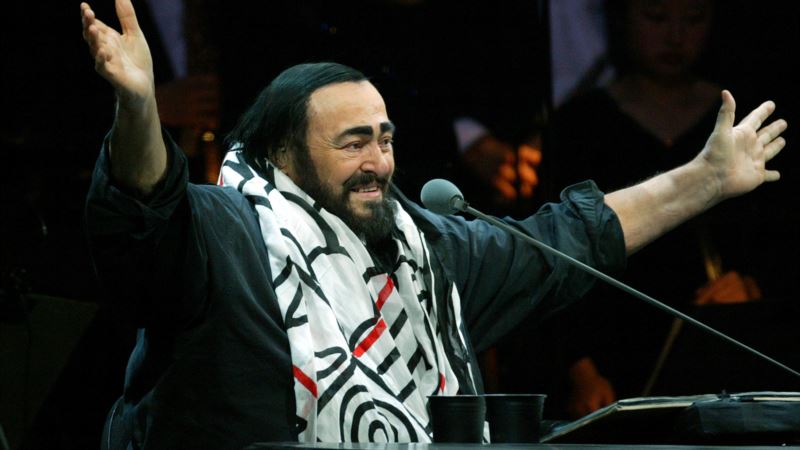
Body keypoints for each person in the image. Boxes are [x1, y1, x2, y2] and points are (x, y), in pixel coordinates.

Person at [80, 0, 785, 448]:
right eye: (353, 142)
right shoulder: (225, 229)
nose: (377, 162)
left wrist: (704, 180)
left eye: (385, 139)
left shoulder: (422, 245)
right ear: (283, 157)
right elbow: (146, 204)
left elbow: (564, 242)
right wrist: (139, 110)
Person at [528, 0, 770, 418]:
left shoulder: (740, 118)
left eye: (693, 19)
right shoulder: (580, 123)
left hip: (723, 349)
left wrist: (753, 285)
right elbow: (550, 250)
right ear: (623, 19)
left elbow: (775, 234)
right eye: (656, 18)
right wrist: (579, 368)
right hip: (611, 353)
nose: (675, 36)